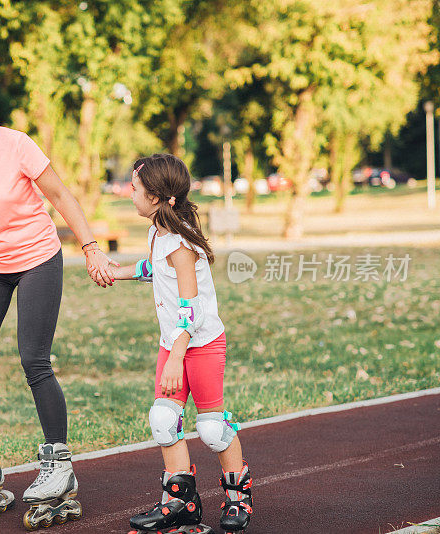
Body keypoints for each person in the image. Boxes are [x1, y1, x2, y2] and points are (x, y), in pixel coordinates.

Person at [0, 72, 118, 527]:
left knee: (34, 360)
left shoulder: (15, 144)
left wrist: (90, 248)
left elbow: (60, 194)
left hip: (37, 258)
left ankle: (59, 466)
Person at [107, 154, 253, 534]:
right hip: (172, 344)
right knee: (163, 421)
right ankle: (179, 503)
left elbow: (190, 307)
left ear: (156, 197)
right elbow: (155, 268)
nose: (130, 194)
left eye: (135, 189)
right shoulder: (159, 231)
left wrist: (176, 356)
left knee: (211, 428)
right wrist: (116, 273)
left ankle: (238, 496)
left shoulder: (179, 241)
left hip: (199, 344)